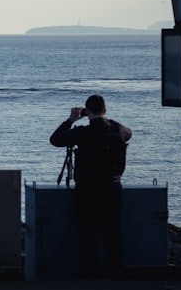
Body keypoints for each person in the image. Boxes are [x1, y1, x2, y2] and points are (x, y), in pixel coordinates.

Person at [50, 94, 132, 278]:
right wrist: (106, 119)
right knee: (113, 232)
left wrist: (70, 120)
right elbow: (129, 132)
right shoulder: (118, 130)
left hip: (87, 190)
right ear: (105, 110)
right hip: (112, 187)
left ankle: (90, 273)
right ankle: (116, 272)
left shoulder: (82, 133)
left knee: (88, 233)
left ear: (88, 112)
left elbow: (55, 139)